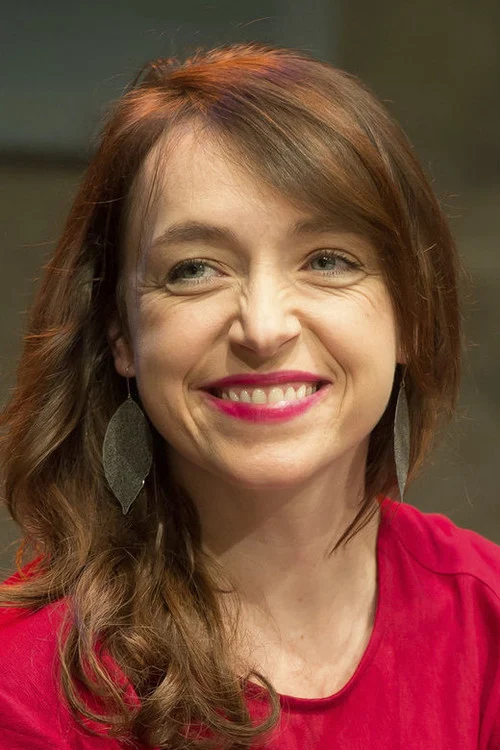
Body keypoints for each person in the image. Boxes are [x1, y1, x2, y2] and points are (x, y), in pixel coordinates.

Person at [0, 41, 498, 750]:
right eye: (194, 270)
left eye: (328, 260)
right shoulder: (25, 686)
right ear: (122, 335)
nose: (263, 329)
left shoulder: (488, 623)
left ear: (409, 315)